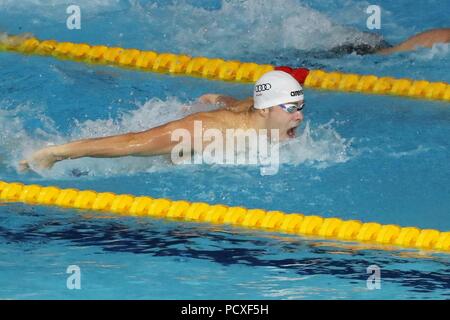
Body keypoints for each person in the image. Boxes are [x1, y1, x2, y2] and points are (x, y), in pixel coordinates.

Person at [19, 71, 305, 171]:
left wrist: (217, 96)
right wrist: (56, 154)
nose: (299, 116)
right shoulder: (205, 132)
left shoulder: (261, 115)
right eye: (292, 107)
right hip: (171, 147)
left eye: (301, 107)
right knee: (140, 146)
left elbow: (240, 102)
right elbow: (131, 142)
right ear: (266, 110)